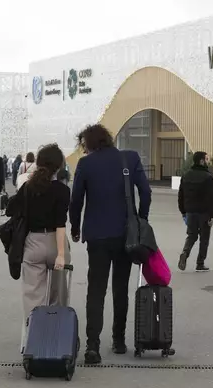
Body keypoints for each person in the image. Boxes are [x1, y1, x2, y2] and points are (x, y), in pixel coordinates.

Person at [69, 124, 151, 364]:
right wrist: (141, 220)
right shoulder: (130, 158)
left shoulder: (85, 164)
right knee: (120, 287)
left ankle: (92, 346)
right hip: (125, 233)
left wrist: (75, 227)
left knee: (96, 289)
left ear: (89, 144)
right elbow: (145, 193)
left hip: (96, 235)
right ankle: (118, 340)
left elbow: (76, 201)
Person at [6, 144, 71, 353]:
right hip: (55, 242)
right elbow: (61, 224)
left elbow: (13, 210)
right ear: (59, 165)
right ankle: (57, 340)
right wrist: (61, 254)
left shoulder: (27, 187)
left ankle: (30, 342)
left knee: (32, 296)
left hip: (32, 243)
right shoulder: (62, 190)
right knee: (58, 296)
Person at [177, 151, 213, 272]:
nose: (208, 161)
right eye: (206, 159)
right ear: (201, 161)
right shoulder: (207, 177)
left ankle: (185, 252)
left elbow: (181, 194)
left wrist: (183, 211)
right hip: (204, 212)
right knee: (204, 238)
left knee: (191, 235)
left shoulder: (186, 175)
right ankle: (200, 263)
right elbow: (210, 197)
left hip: (190, 211)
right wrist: (212, 214)